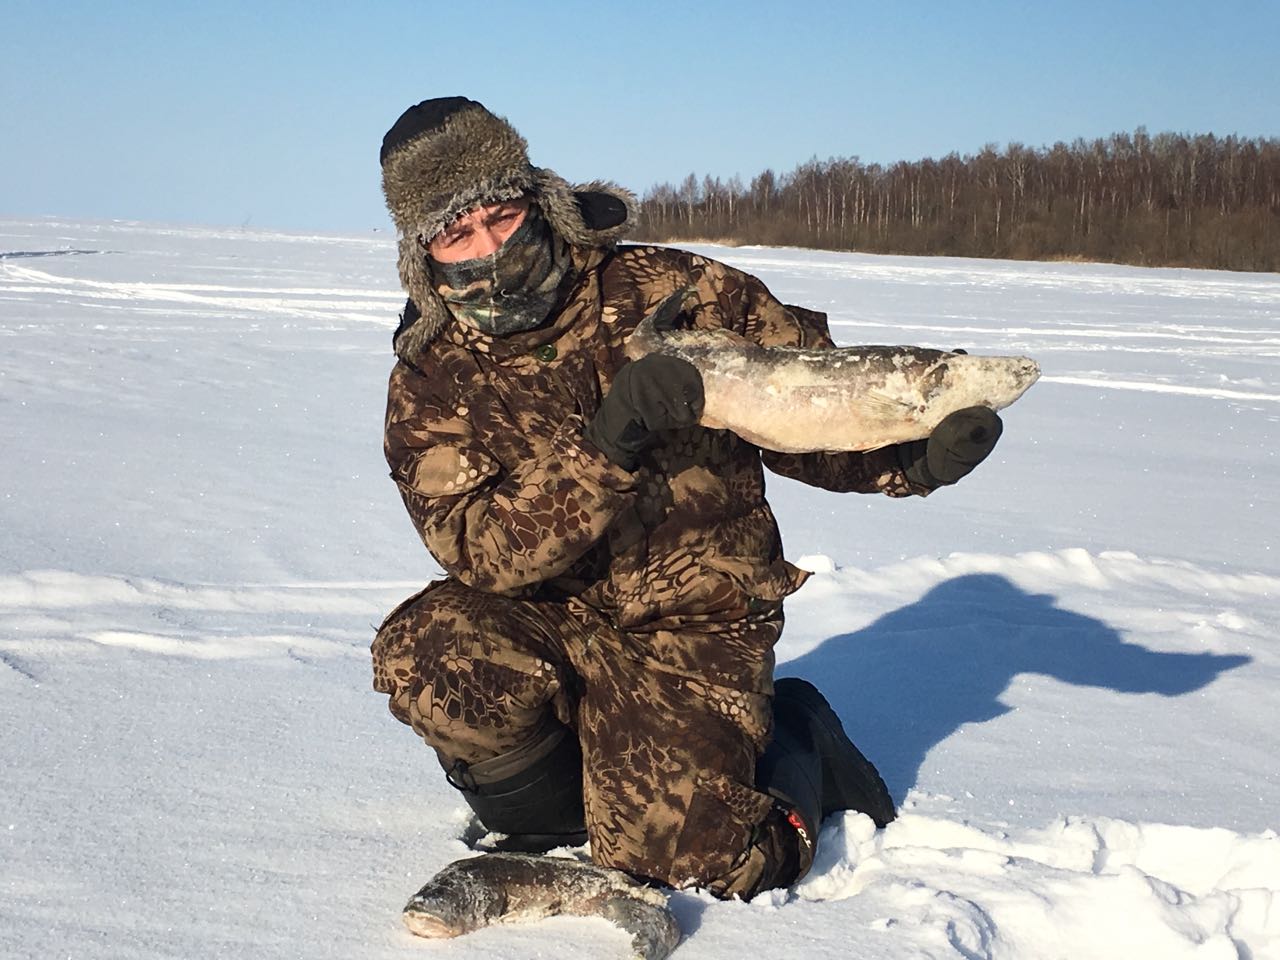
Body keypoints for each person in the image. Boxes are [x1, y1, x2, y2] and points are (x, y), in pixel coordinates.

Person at [371, 97, 1002, 899]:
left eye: (502, 215)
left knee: (699, 865)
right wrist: (606, 446)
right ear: (423, 252)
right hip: (552, 618)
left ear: (538, 197)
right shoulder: (431, 377)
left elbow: (804, 405)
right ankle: (560, 829)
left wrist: (912, 458)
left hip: (698, 626)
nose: (491, 248)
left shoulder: (679, 289)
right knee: (430, 653)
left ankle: (801, 741)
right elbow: (482, 551)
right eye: (458, 235)